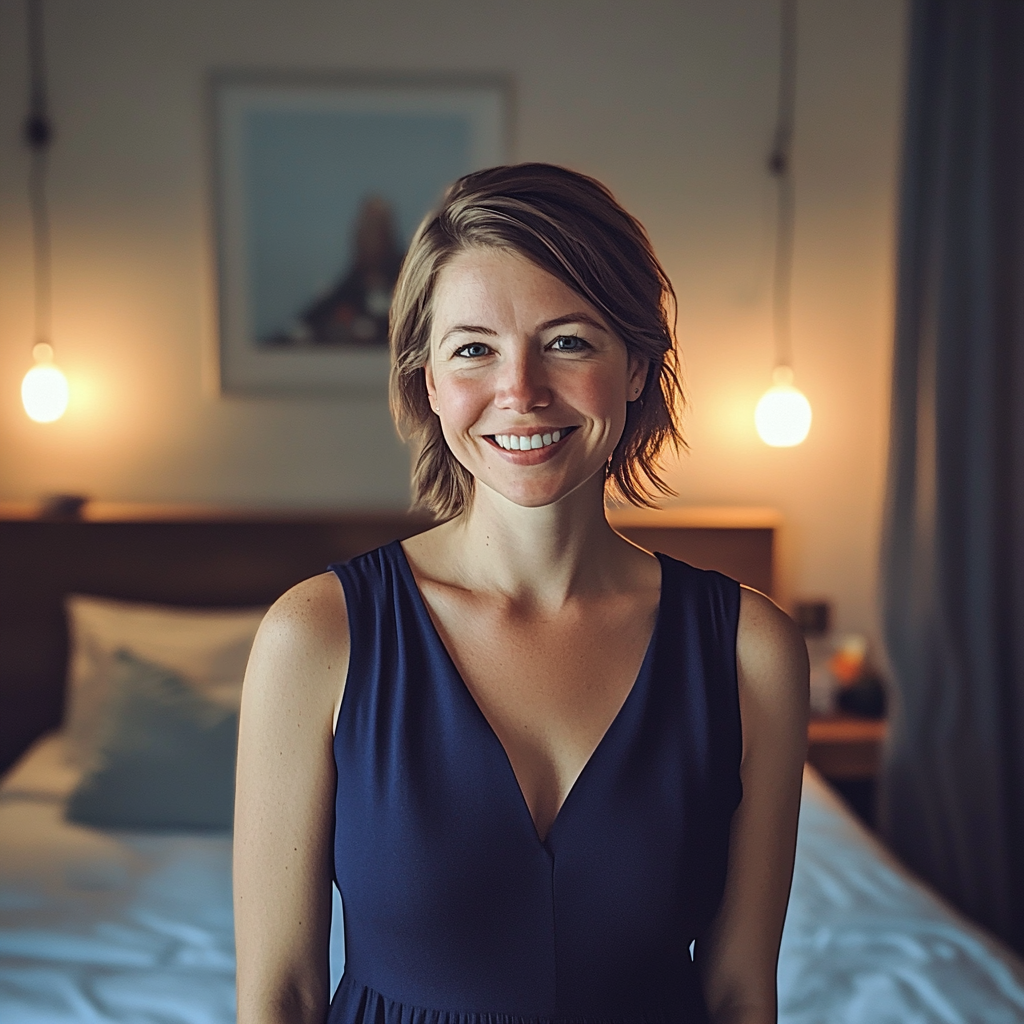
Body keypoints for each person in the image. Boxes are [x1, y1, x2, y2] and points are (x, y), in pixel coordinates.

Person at [234, 163, 809, 1024]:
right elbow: (280, 995)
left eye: (569, 341)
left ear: (639, 366)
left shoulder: (750, 650)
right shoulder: (317, 636)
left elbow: (738, 990)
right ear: (429, 382)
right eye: (474, 349)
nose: (521, 391)